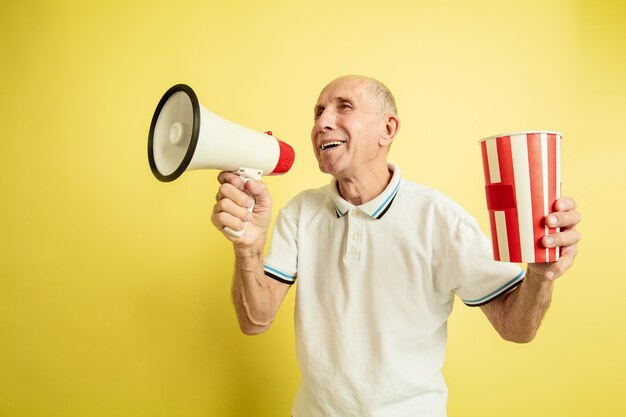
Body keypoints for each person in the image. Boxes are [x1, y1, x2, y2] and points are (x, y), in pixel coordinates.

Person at [211, 75, 581, 417]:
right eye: (318, 111)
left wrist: (539, 274)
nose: (322, 122)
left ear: (387, 129)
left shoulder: (440, 220)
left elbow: (517, 329)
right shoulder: (299, 213)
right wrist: (248, 248)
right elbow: (254, 321)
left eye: (344, 107)